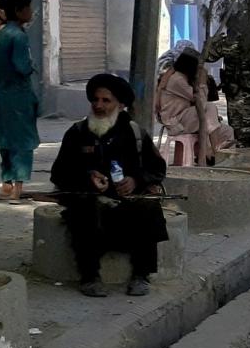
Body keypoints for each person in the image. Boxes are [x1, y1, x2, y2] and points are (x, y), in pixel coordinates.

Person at [51, 74, 169, 297]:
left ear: (120, 105)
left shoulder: (135, 133)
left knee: (149, 208)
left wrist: (136, 180)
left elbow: (157, 169)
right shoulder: (77, 133)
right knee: (84, 210)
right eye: (96, 100)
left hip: (128, 201)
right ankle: (89, 276)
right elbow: (59, 173)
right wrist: (88, 177)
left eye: (106, 101)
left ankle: (141, 275)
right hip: (89, 201)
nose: (99, 106)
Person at [0, 0, 39, 204]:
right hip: (19, 95)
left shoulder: (0, 34)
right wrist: (32, 67)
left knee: (6, 139)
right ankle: (17, 190)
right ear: (19, 11)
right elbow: (22, 66)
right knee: (23, 141)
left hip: (2, 94)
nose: (31, 12)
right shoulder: (19, 36)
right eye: (28, 8)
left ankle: (6, 184)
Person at [157, 48, 234, 164]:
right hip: (176, 122)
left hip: (186, 118)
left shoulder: (184, 78)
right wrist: (202, 83)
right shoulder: (177, 79)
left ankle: (221, 159)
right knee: (210, 107)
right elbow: (201, 103)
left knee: (228, 131)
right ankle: (215, 149)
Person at [208, 33, 250, 149]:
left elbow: (208, 56)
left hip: (238, 96)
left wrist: (212, 42)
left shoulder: (229, 43)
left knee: (240, 135)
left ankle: (245, 160)